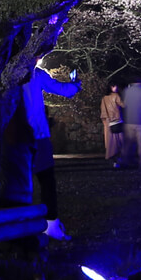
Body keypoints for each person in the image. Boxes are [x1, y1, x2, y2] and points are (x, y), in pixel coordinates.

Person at [18, 60, 81, 238]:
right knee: (46, 180)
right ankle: (50, 223)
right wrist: (75, 86)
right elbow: (62, 89)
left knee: (20, 183)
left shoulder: (7, 72)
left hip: (14, 136)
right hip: (38, 133)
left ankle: (20, 226)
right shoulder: (36, 74)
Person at [119, 76, 141, 168]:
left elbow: (123, 104)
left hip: (128, 120)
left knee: (127, 143)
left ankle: (125, 162)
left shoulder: (126, 91)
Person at [100, 83, 124, 164]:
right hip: (117, 120)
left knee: (110, 143)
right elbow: (124, 105)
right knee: (119, 141)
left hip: (107, 121)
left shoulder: (104, 98)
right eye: (114, 86)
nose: (116, 87)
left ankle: (113, 159)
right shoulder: (116, 96)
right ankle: (119, 159)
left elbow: (103, 111)